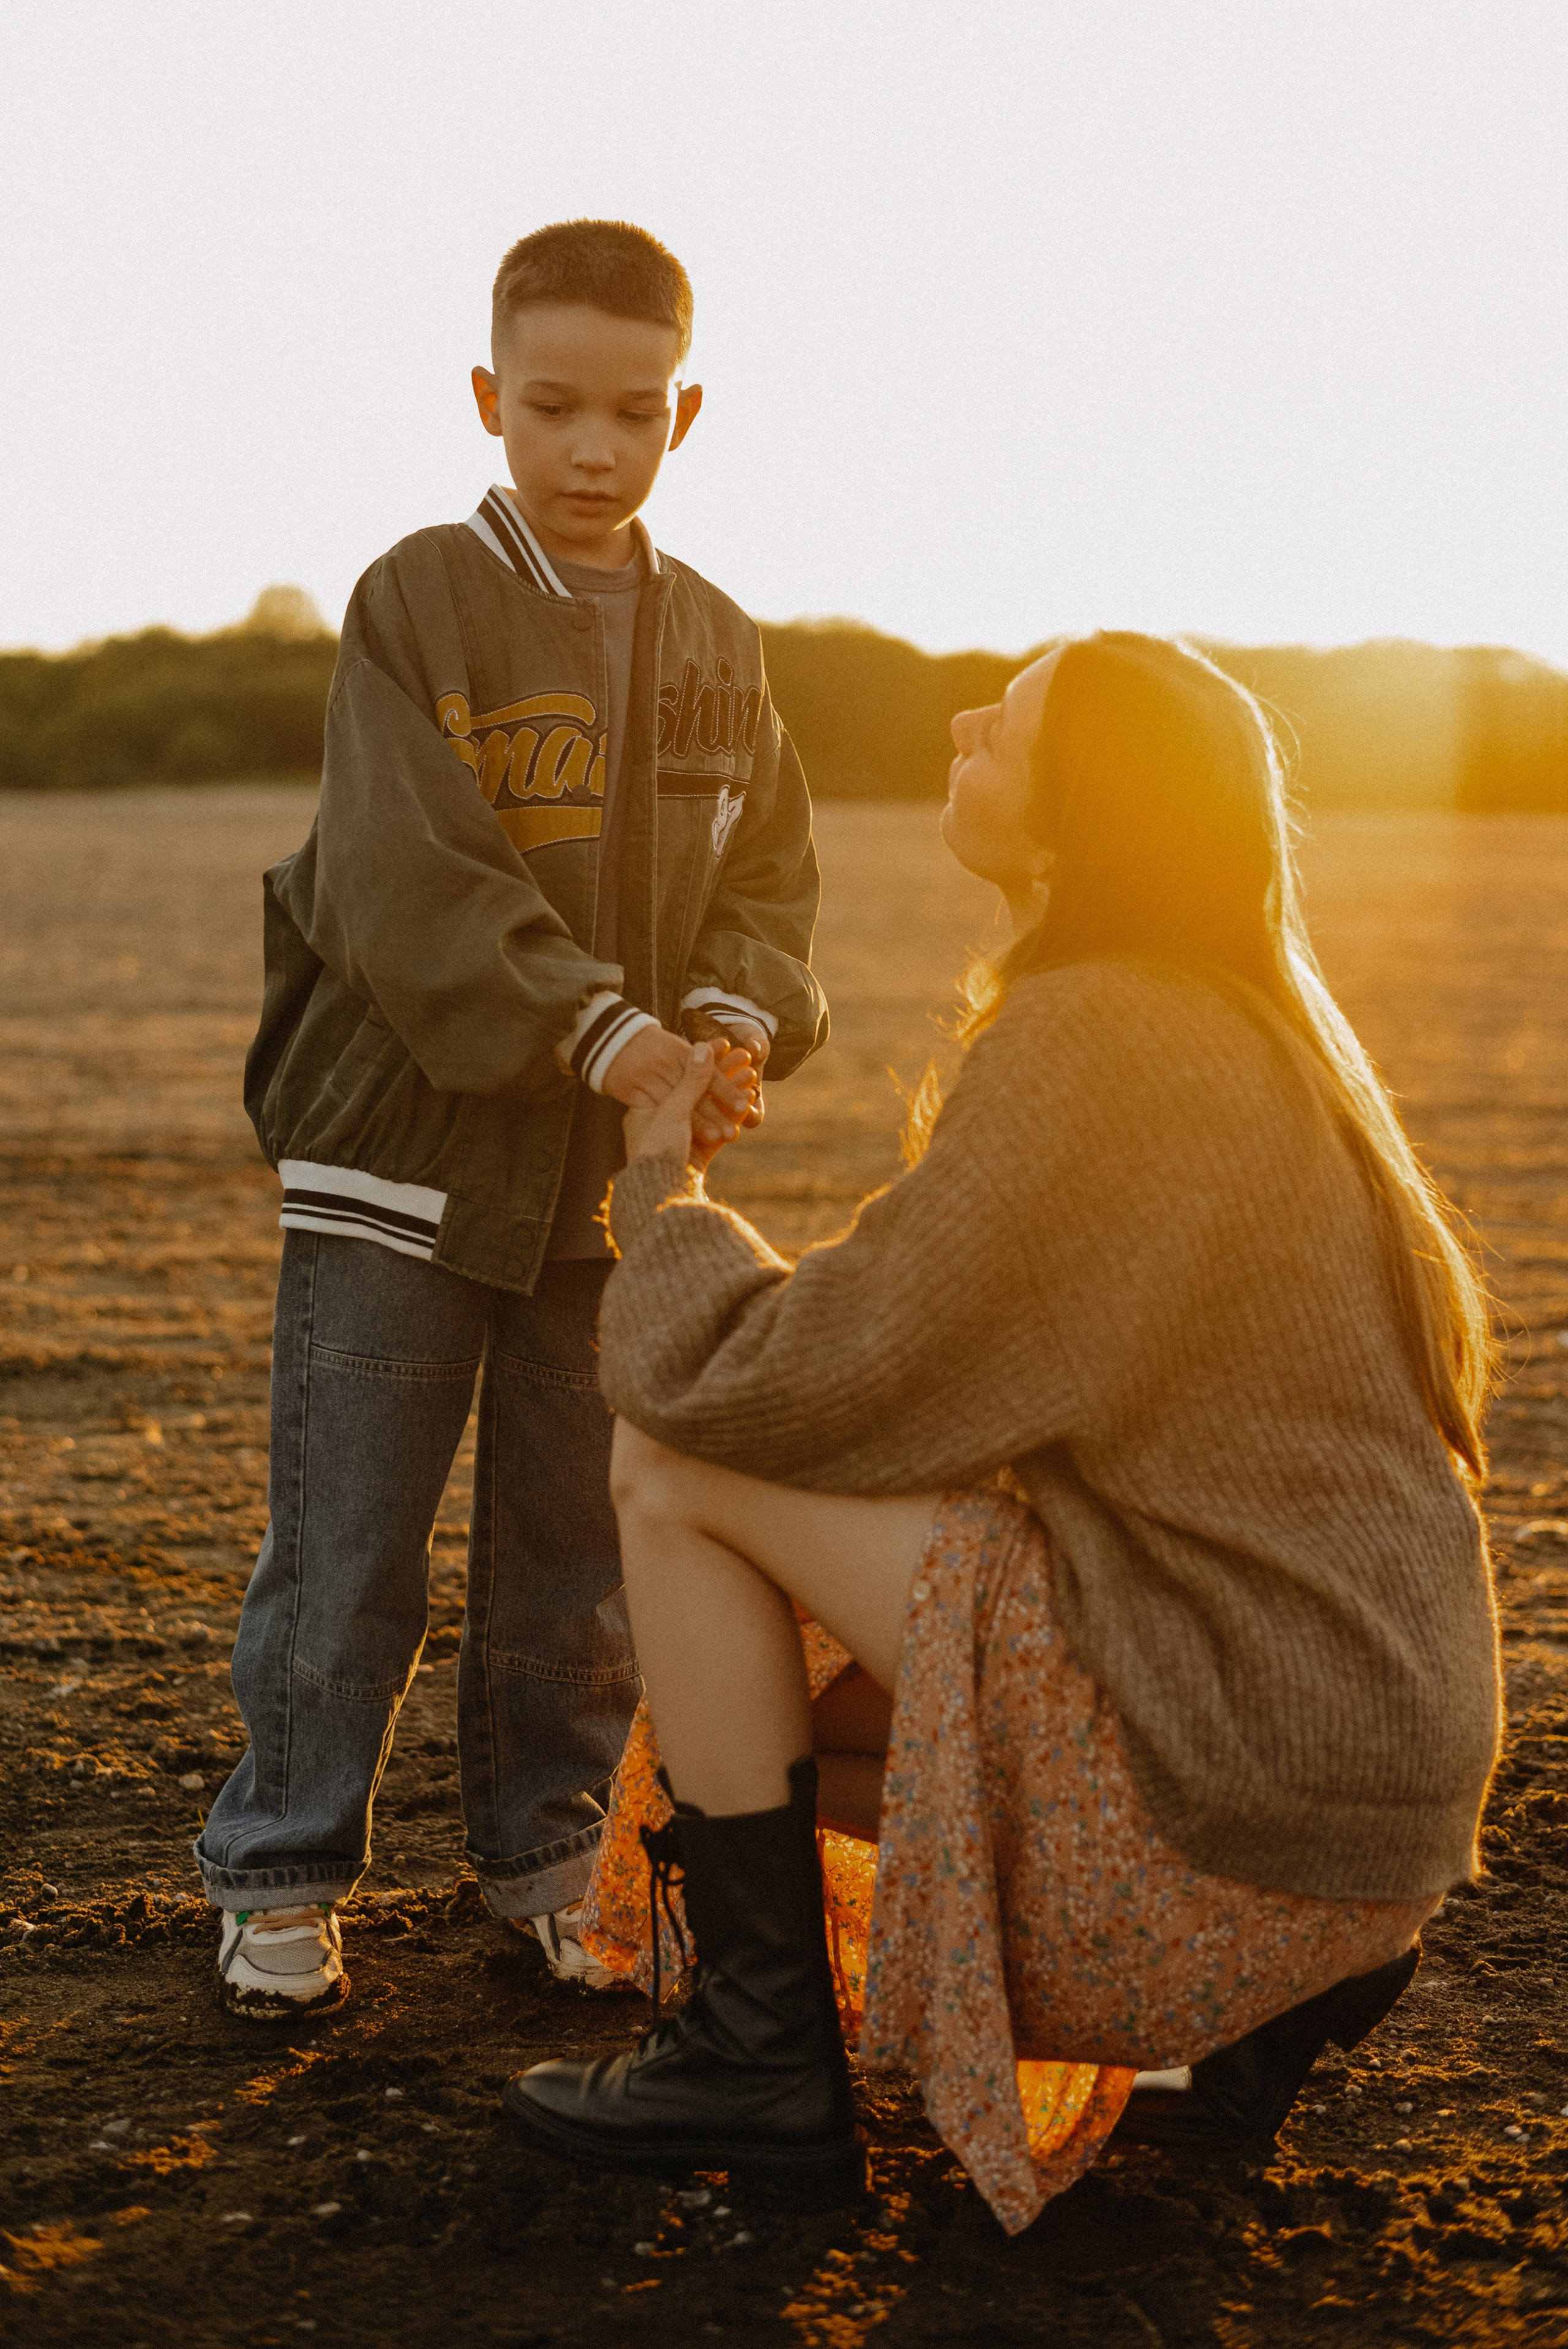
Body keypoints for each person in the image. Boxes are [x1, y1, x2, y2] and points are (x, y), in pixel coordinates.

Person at [501, 631, 1501, 2232]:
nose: (967, 717)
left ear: (1086, 808)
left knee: (681, 1470)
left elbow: (799, 1383)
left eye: (1011, 721)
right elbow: (944, 1379)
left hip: (1243, 1794)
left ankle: (755, 2058)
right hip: (1367, 1798)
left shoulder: (1102, 1033)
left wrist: (661, 1184)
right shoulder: (1268, 1035)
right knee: (798, 1730)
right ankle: (1252, 2011)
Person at [198, 219, 828, 2019]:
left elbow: (771, 879)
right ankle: (283, 1865)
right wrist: (606, 1027)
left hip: (603, 1185)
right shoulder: (418, 598)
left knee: (576, 1551)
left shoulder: (720, 639)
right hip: (398, 1159)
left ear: (685, 413)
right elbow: (406, 877)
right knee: (348, 1546)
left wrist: (725, 1015)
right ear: (489, 398)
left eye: (632, 412)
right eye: (551, 406)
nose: (590, 449)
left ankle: (551, 1862)